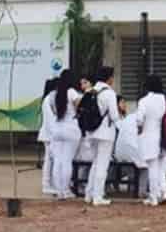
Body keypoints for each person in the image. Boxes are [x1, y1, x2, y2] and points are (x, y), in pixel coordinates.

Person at [132, 73, 166, 206]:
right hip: (164, 136)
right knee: (160, 167)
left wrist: (139, 129)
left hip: (149, 136)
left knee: (152, 167)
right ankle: (160, 193)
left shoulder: (144, 101)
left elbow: (139, 119)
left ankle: (154, 197)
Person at [82, 68, 119, 207]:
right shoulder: (109, 93)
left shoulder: (90, 91)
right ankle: (98, 196)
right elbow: (114, 116)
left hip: (92, 131)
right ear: (109, 78)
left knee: (95, 163)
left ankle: (89, 194)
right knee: (102, 165)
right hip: (105, 133)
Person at [44, 75, 81, 200]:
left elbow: (54, 111)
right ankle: (66, 190)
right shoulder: (72, 92)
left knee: (58, 161)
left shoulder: (52, 95)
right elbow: (79, 107)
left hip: (57, 129)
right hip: (71, 129)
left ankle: (58, 190)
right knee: (67, 161)